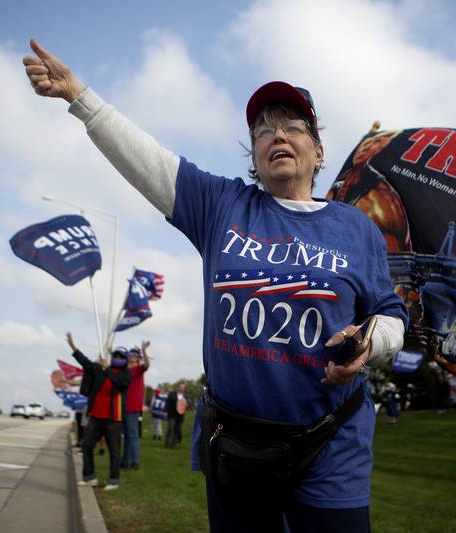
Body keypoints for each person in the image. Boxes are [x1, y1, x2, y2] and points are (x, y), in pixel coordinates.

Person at [24, 39, 407, 532]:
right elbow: (149, 160)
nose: (277, 135)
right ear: (254, 153)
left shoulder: (356, 229)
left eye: (292, 126)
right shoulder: (223, 206)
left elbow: (392, 315)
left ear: (318, 150)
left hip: (331, 448)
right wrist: (79, 96)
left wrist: (368, 342)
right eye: (263, 130)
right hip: (237, 447)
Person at [66, 332, 131, 491]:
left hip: (113, 419)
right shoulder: (100, 369)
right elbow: (85, 363)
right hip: (95, 416)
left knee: (114, 451)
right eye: (115, 355)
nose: (117, 358)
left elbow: (120, 385)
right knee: (87, 445)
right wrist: (73, 346)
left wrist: (107, 368)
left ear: (125, 360)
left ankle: (113, 481)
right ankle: (90, 477)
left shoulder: (125, 374)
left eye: (121, 356)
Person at [121, 341, 150, 469]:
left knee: (132, 435)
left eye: (134, 357)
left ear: (138, 359)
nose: (131, 358)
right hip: (124, 407)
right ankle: (125, 460)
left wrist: (144, 350)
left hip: (133, 408)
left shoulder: (138, 370)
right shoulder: (126, 371)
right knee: (126, 435)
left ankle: (135, 461)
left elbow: (147, 364)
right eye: (130, 357)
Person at [165, 382, 187, 449]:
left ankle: (173, 445)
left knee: (177, 430)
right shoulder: (172, 394)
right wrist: (165, 411)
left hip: (180, 416)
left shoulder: (185, 396)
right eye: (181, 387)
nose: (182, 388)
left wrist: (186, 405)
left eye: (183, 387)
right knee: (170, 429)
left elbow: (186, 405)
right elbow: (167, 403)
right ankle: (167, 444)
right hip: (172, 414)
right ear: (178, 387)